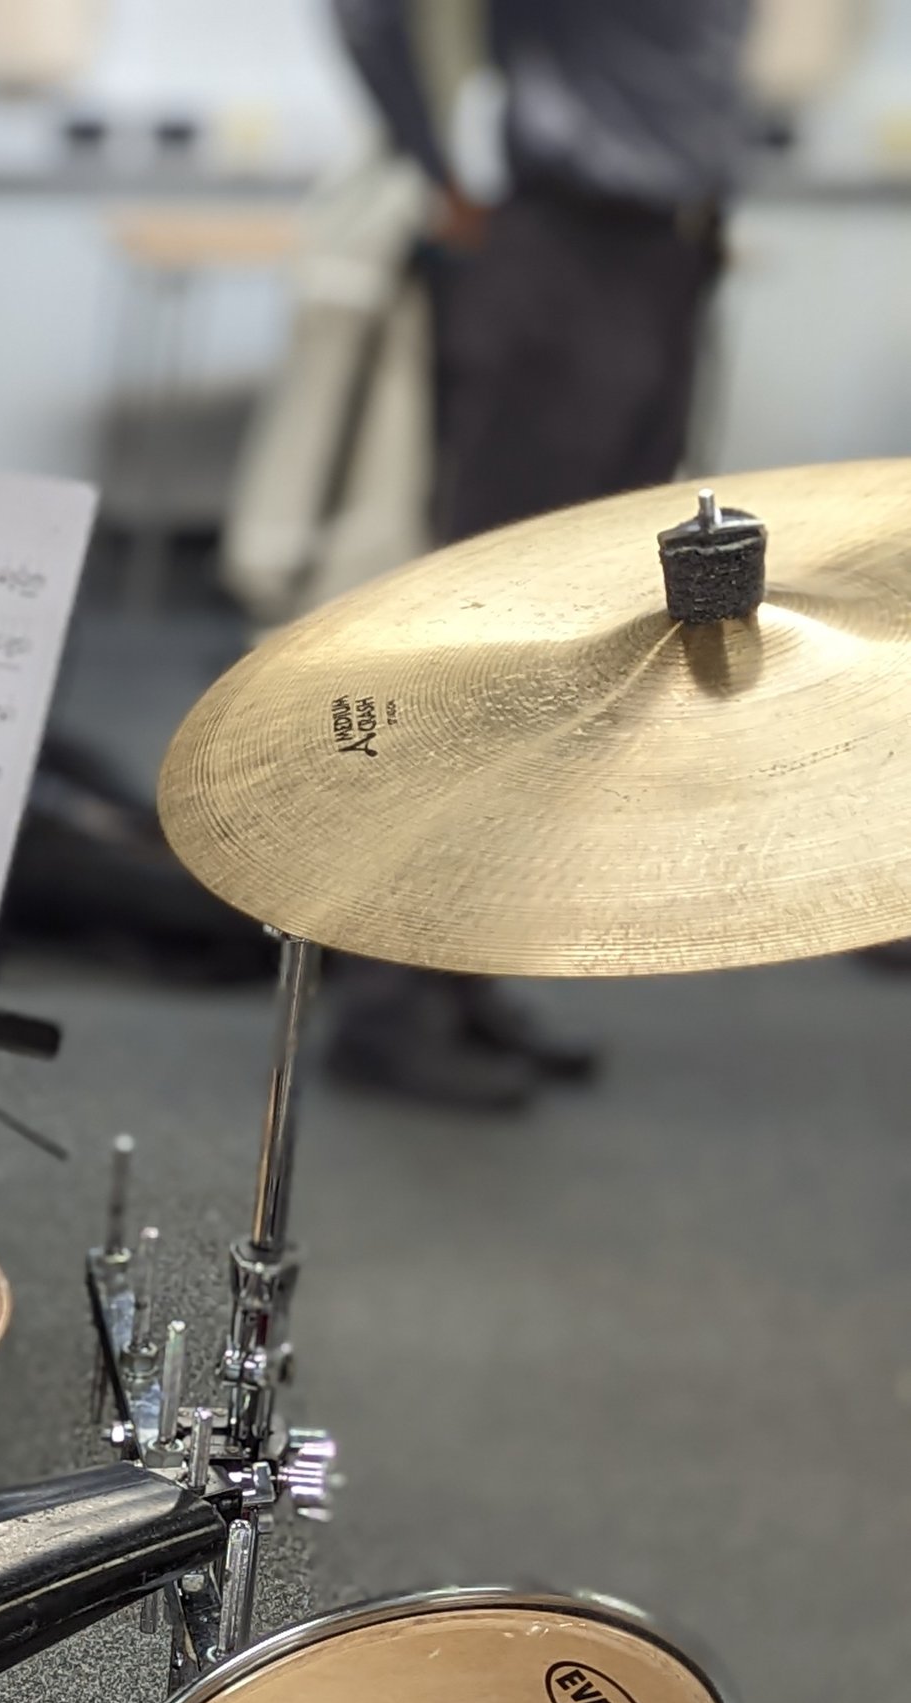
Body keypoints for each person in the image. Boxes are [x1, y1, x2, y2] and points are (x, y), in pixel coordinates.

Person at [325, 0, 752, 1108]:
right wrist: (438, 163)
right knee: (488, 652)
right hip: (562, 253)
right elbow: (370, 13)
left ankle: (464, 976)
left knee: (582, 648)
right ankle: (387, 995)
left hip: (667, 254)